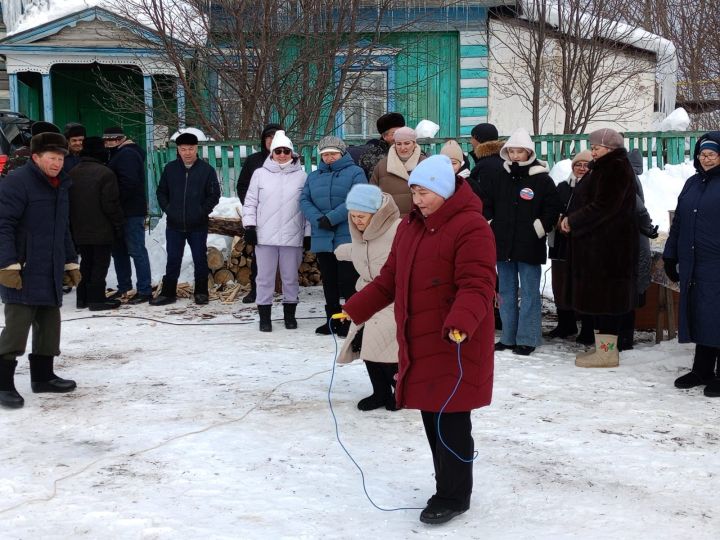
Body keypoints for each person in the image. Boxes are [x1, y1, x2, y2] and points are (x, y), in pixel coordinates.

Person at [342, 155, 497, 525]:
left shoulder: (471, 228)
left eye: (424, 192)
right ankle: (446, 484)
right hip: (419, 339)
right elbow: (388, 279)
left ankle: (454, 495)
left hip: (456, 340)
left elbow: (477, 284)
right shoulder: (411, 227)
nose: (418, 199)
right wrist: (354, 310)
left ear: (444, 191)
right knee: (433, 416)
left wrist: (460, 322)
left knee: (452, 421)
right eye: (413, 191)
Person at [0, 132, 80, 409]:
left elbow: (63, 227)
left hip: (50, 267)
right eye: (52, 158)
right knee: (17, 329)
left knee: (49, 324)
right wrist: (7, 264)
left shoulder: (60, 185)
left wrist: (69, 261)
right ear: (35, 157)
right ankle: (3, 384)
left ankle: (43, 377)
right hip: (22, 268)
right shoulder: (17, 183)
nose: (57, 163)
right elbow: (3, 226)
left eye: (60, 158)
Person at [560, 128, 638, 368]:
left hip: (608, 250)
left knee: (606, 303)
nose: (592, 152)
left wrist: (574, 220)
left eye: (597, 148)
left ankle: (607, 354)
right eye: (592, 147)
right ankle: (603, 350)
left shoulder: (615, 168)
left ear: (610, 149)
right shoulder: (604, 167)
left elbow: (604, 206)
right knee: (601, 303)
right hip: (599, 247)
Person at [484, 128, 562, 355]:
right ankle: (508, 337)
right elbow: (487, 201)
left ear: (529, 152)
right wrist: (490, 223)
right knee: (506, 293)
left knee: (529, 292)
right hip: (503, 243)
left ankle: (527, 338)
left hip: (529, 244)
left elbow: (552, 208)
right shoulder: (499, 177)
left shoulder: (542, 180)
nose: (516, 156)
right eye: (512, 151)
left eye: (520, 151)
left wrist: (539, 228)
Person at [663, 132, 720, 397]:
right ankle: (702, 370)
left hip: (716, 263)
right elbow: (679, 225)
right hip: (694, 264)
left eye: (711, 154)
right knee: (700, 314)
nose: (706, 159)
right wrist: (670, 255)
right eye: (702, 154)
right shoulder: (692, 183)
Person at [335, 184, 401, 411]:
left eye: (361, 216)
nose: (357, 221)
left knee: (388, 350)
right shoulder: (359, 232)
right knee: (367, 349)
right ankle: (379, 392)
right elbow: (361, 251)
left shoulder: (398, 229)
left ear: (376, 213)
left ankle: (399, 392)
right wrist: (342, 251)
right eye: (353, 217)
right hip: (366, 295)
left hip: (392, 297)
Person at [300, 135, 366, 336]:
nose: (329, 158)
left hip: (347, 233)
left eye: (333, 154)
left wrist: (332, 217)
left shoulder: (356, 172)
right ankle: (332, 319)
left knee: (348, 280)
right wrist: (318, 218)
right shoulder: (313, 176)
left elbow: (358, 197)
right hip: (322, 233)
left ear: (342, 153)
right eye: (325, 154)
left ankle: (349, 320)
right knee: (328, 280)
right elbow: (304, 199)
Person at [243, 130, 308, 331]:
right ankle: (265, 317)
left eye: (285, 151)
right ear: (271, 153)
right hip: (265, 236)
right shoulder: (259, 174)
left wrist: (308, 233)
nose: (281, 155)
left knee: (290, 278)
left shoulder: (302, 176)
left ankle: (290, 315)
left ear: (292, 153)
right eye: (277, 151)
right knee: (264, 278)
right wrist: (250, 226)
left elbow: (307, 206)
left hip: (292, 235)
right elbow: (250, 202)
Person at [151, 132, 221, 306]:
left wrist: (201, 211)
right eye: (183, 149)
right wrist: (168, 209)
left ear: (196, 149)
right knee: (173, 258)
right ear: (178, 150)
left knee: (199, 258)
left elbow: (214, 195)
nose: (187, 152)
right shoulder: (171, 169)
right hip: (174, 224)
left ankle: (201, 292)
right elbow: (161, 192)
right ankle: (168, 293)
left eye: (191, 149)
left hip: (198, 224)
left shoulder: (206, 170)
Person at [68, 136, 125, 311]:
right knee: (100, 263)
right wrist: (118, 224)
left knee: (86, 261)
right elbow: (110, 204)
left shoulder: (73, 172)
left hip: (79, 227)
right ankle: (97, 299)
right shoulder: (105, 173)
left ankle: (82, 298)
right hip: (101, 228)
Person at [546, 150, 593, 340]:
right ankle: (566, 324)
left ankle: (588, 329)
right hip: (561, 243)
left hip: (583, 244)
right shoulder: (563, 187)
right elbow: (553, 207)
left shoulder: (594, 187)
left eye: (585, 165)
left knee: (583, 286)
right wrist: (558, 221)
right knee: (561, 284)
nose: (581, 168)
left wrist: (575, 223)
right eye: (577, 165)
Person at [103, 126, 153, 304]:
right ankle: (125, 288)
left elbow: (129, 184)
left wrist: (114, 203)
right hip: (123, 211)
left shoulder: (127, 155)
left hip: (130, 211)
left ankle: (144, 290)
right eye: (106, 140)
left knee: (135, 250)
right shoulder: (122, 153)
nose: (108, 143)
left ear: (120, 139)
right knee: (119, 251)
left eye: (111, 139)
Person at [236, 123, 282, 304]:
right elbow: (242, 186)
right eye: (268, 138)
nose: (271, 141)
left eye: (275, 137)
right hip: (260, 217)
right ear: (263, 140)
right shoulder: (254, 160)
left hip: (283, 216)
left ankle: (288, 291)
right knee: (260, 257)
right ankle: (256, 290)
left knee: (287, 257)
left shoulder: (288, 159)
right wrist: (251, 208)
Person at [619, 149, 659, 350]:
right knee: (630, 290)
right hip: (634, 238)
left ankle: (623, 339)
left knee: (625, 291)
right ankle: (624, 338)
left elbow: (639, 209)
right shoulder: (630, 176)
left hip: (629, 240)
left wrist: (647, 227)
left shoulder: (623, 178)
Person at [369, 126, 426, 216]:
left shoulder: (425, 164)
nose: (402, 148)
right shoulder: (382, 165)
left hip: (418, 219)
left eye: (407, 143)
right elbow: (371, 194)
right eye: (398, 144)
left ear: (414, 143)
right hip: (389, 220)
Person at [351, 112, 406, 179]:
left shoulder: (416, 152)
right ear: (385, 136)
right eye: (394, 133)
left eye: (403, 132)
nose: (400, 136)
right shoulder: (372, 156)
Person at [467, 122, 505, 199]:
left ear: (478, 139)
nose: (470, 141)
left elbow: (483, 196)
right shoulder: (499, 160)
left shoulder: (486, 166)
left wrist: (467, 180)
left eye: (472, 138)